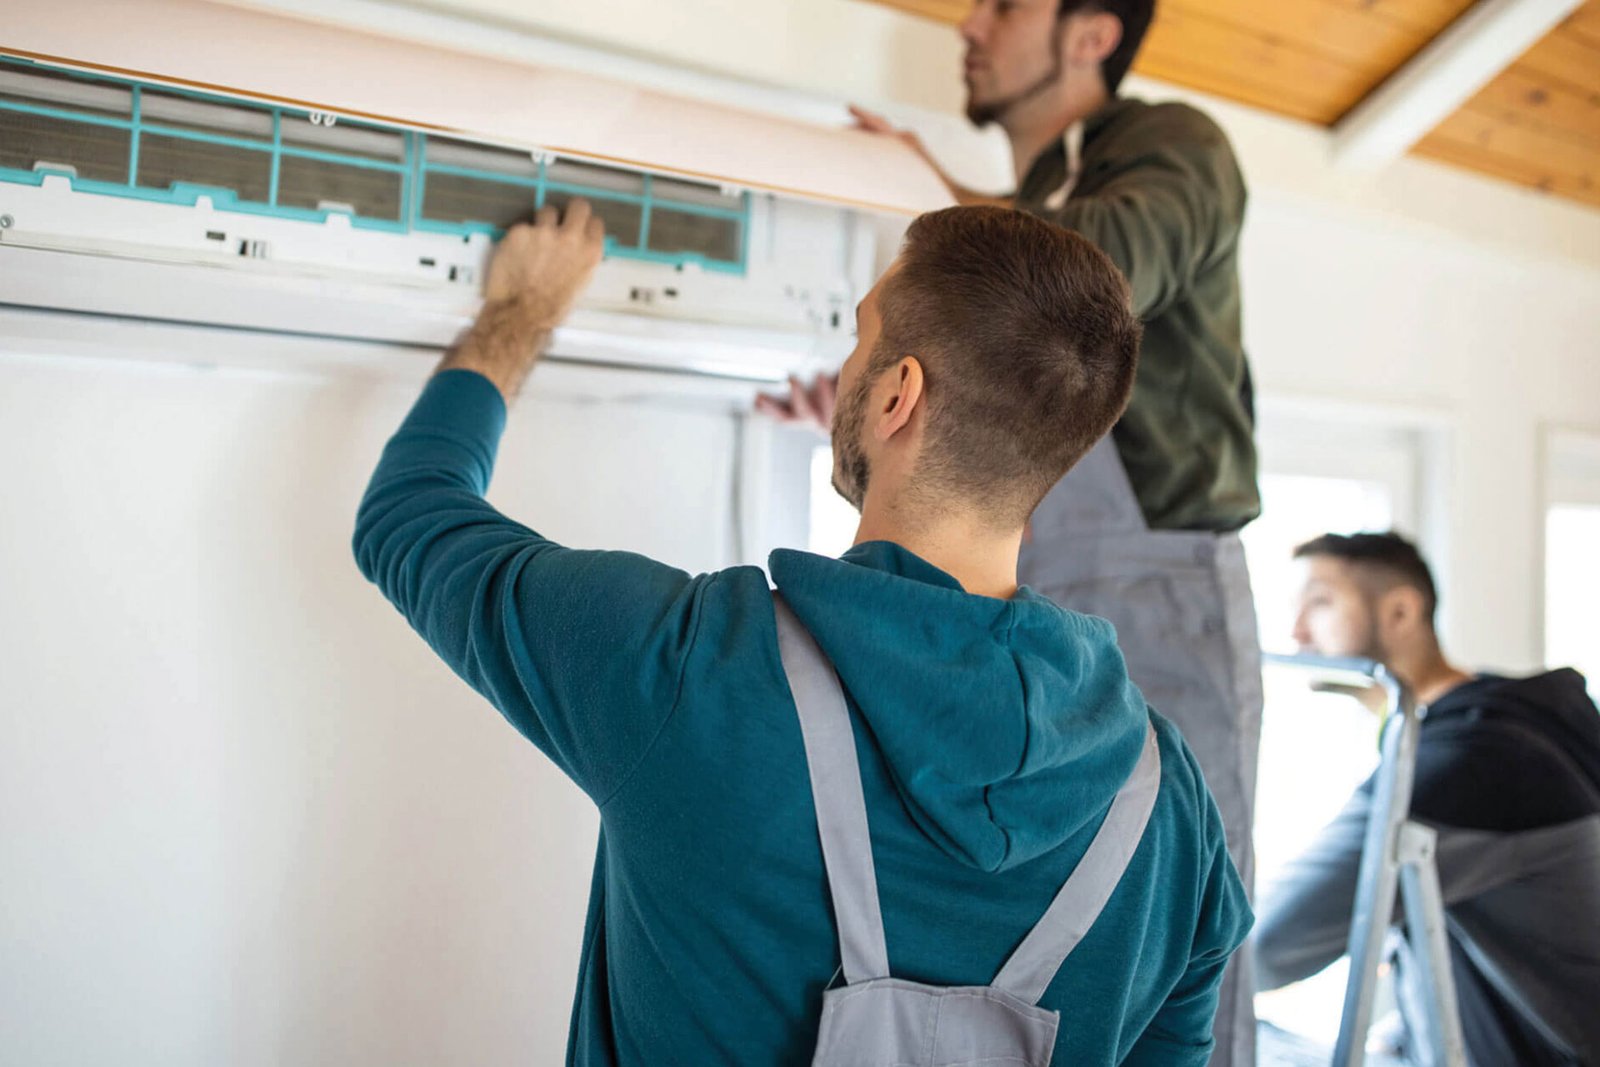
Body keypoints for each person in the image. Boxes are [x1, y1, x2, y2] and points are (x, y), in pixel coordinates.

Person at [353, 200, 1251, 1063]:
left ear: (898, 394)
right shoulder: (1169, 804)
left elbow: (409, 515)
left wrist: (521, 310)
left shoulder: (692, 666)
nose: (846, 366)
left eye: (859, 338)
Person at [767, 3, 1263, 1061]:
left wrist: (943, 214)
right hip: (1023, 590)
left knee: (1174, 925)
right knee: (1025, 929)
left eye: (1005, 3)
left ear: (1092, 34)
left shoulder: (1171, 145)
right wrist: (878, 413)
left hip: (1156, 580)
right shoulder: (1038, 195)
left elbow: (1084, 296)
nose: (972, 21)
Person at [1254, 531, 1600, 1066]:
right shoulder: (1513, 725)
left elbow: (1263, 946)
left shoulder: (1475, 761)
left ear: (1400, 611)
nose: (1296, 631)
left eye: (1319, 603)